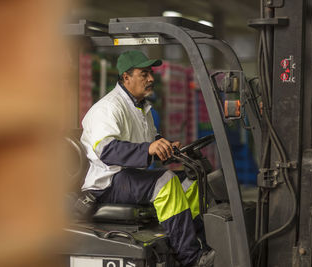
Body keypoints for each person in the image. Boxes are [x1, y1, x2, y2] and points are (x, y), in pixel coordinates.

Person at [80, 50, 214, 267]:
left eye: (150, 73)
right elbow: (107, 150)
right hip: (108, 182)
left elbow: (150, 141)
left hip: (130, 177)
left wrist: (167, 147)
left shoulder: (141, 108)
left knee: (192, 181)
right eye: (144, 74)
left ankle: (194, 244)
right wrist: (149, 148)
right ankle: (191, 258)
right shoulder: (108, 108)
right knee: (166, 182)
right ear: (126, 77)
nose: (151, 78)